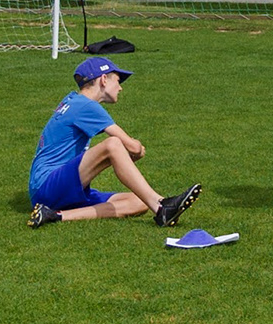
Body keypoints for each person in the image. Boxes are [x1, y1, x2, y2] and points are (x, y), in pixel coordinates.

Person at [26, 54, 200, 227]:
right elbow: (132, 147)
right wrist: (136, 148)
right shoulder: (86, 105)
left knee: (139, 202)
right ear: (103, 79)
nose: (120, 88)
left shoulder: (73, 100)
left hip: (51, 189)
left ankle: (54, 215)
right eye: (118, 81)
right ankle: (161, 205)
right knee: (113, 144)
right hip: (48, 188)